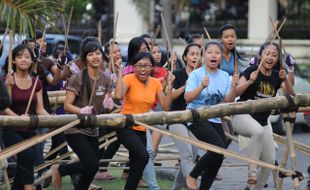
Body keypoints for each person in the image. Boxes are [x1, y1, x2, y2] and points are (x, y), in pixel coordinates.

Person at [231, 42, 295, 190]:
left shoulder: (277, 75)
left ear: (278, 58)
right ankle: (252, 174)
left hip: (263, 122)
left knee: (270, 161)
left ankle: (253, 188)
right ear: (261, 55)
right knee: (257, 132)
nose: (270, 57)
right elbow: (236, 93)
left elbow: (291, 95)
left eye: (274, 55)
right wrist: (249, 81)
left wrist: (286, 76)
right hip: (242, 116)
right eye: (267, 54)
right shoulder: (251, 70)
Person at [51, 40, 113, 190]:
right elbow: (67, 106)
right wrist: (81, 110)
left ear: (102, 56)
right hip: (75, 128)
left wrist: (108, 106)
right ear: (84, 58)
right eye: (90, 54)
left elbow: (105, 109)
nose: (95, 57)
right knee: (92, 164)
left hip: (93, 129)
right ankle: (60, 170)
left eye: (98, 53)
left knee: (92, 167)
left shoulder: (106, 79)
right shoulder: (77, 78)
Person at [114, 51, 174, 190]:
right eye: (139, 65)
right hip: (126, 126)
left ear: (152, 68)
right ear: (134, 67)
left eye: (146, 66)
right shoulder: (128, 78)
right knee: (143, 156)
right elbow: (118, 95)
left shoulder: (155, 83)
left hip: (142, 128)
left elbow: (165, 106)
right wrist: (119, 72)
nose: (142, 69)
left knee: (137, 163)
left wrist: (169, 85)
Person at [184, 41, 239, 190]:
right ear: (204, 56)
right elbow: (187, 98)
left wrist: (234, 87)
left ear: (221, 56)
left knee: (219, 156)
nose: (213, 55)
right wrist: (201, 86)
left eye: (217, 52)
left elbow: (228, 101)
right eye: (210, 52)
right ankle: (192, 175)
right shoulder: (196, 74)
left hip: (214, 118)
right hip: (196, 117)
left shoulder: (224, 75)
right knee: (218, 148)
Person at [3, 44, 49, 190]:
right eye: (19, 56)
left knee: (26, 160)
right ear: (13, 61)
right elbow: (3, 106)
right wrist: (18, 118)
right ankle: (30, 187)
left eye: (27, 57)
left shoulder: (37, 82)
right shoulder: (5, 80)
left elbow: (40, 109)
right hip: (9, 128)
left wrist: (54, 119)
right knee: (28, 155)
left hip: (29, 129)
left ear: (31, 61)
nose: (24, 59)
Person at [169, 43, 201, 189]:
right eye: (192, 54)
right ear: (185, 57)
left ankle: (176, 188)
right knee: (187, 155)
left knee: (190, 157)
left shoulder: (202, 75)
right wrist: (185, 86)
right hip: (177, 118)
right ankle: (191, 186)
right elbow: (172, 96)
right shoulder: (178, 74)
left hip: (194, 119)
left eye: (197, 54)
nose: (195, 56)